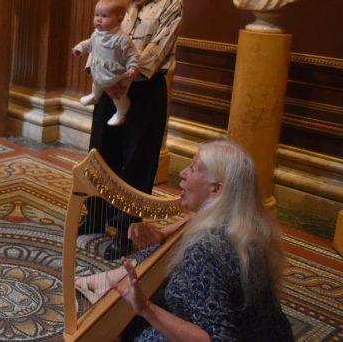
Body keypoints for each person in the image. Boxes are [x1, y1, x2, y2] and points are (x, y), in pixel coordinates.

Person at [88, 141, 292, 341]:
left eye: (193, 168)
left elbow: (218, 337)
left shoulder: (205, 250)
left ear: (216, 189)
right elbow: (190, 221)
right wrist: (161, 234)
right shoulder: (247, 226)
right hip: (270, 333)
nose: (182, 173)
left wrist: (146, 309)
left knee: (135, 322)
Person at [81, 0, 183, 260]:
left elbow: (158, 47)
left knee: (137, 159)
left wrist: (130, 76)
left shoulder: (171, 3)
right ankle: (96, 214)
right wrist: (99, 71)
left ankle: (127, 227)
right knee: (100, 150)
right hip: (110, 85)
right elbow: (101, 39)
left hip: (143, 88)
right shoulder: (123, 2)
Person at [72, 0, 139, 126]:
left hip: (116, 75)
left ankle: (121, 112)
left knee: (118, 96)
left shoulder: (122, 39)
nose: (98, 19)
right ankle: (95, 96)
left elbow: (133, 55)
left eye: (104, 16)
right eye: (97, 15)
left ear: (119, 20)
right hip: (99, 70)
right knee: (96, 84)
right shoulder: (97, 33)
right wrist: (80, 48)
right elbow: (89, 43)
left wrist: (133, 68)